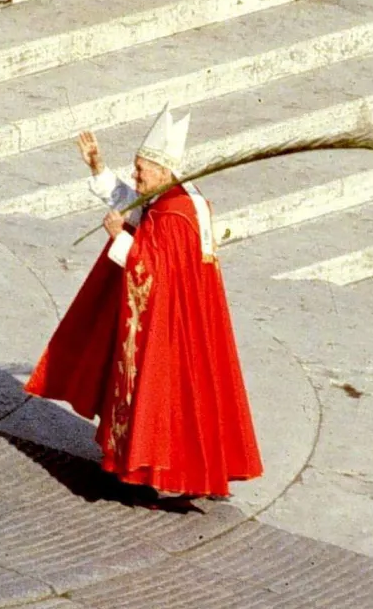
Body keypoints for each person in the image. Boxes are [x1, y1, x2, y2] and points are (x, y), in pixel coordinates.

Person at [24, 103, 263, 500]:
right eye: (135, 169)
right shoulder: (175, 195)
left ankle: (149, 470)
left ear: (164, 172)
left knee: (161, 391)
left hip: (169, 322)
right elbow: (136, 204)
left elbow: (150, 270)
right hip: (187, 315)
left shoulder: (175, 215)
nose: (135, 177)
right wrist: (98, 168)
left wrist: (118, 236)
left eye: (140, 171)